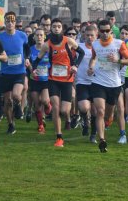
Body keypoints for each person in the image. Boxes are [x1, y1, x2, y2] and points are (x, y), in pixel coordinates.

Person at [32, 18, 85, 147]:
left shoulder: (69, 41)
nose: (56, 28)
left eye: (59, 26)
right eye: (54, 26)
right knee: (55, 107)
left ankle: (69, 119)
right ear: (51, 28)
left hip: (67, 80)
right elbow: (37, 60)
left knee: (64, 110)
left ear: (62, 28)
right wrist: (33, 69)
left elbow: (81, 53)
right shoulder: (47, 45)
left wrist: (76, 66)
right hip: (53, 80)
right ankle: (59, 137)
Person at [87, 19, 128, 152]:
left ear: (111, 31)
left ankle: (109, 119)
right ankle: (102, 140)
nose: (105, 33)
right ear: (99, 31)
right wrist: (91, 67)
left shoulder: (119, 44)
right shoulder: (95, 44)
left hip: (114, 84)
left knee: (108, 114)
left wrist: (118, 59)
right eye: (102, 31)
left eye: (107, 31)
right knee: (99, 111)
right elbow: (94, 58)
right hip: (98, 82)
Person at [0, 11, 30, 135]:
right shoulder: (0, 37)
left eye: (12, 21)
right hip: (5, 73)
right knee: (7, 101)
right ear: (4, 22)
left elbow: (27, 48)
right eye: (7, 21)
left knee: (16, 95)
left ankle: (18, 107)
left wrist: (26, 58)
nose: (10, 24)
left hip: (19, 71)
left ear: (15, 23)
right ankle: (11, 124)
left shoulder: (22, 36)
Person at [27, 27, 52, 134]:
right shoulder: (30, 49)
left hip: (46, 80)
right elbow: (28, 64)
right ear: (34, 37)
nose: (39, 37)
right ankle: (41, 125)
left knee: (45, 101)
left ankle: (48, 107)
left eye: (41, 35)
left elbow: (53, 62)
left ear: (44, 37)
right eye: (37, 35)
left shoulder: (48, 49)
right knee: (37, 104)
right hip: (34, 80)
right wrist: (31, 69)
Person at [75, 25, 97, 140]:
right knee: (83, 107)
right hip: (82, 82)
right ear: (84, 35)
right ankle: (84, 121)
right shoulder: (79, 47)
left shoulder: (100, 47)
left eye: (92, 35)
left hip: (96, 82)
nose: (89, 37)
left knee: (94, 110)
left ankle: (93, 133)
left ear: (96, 35)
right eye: (87, 35)